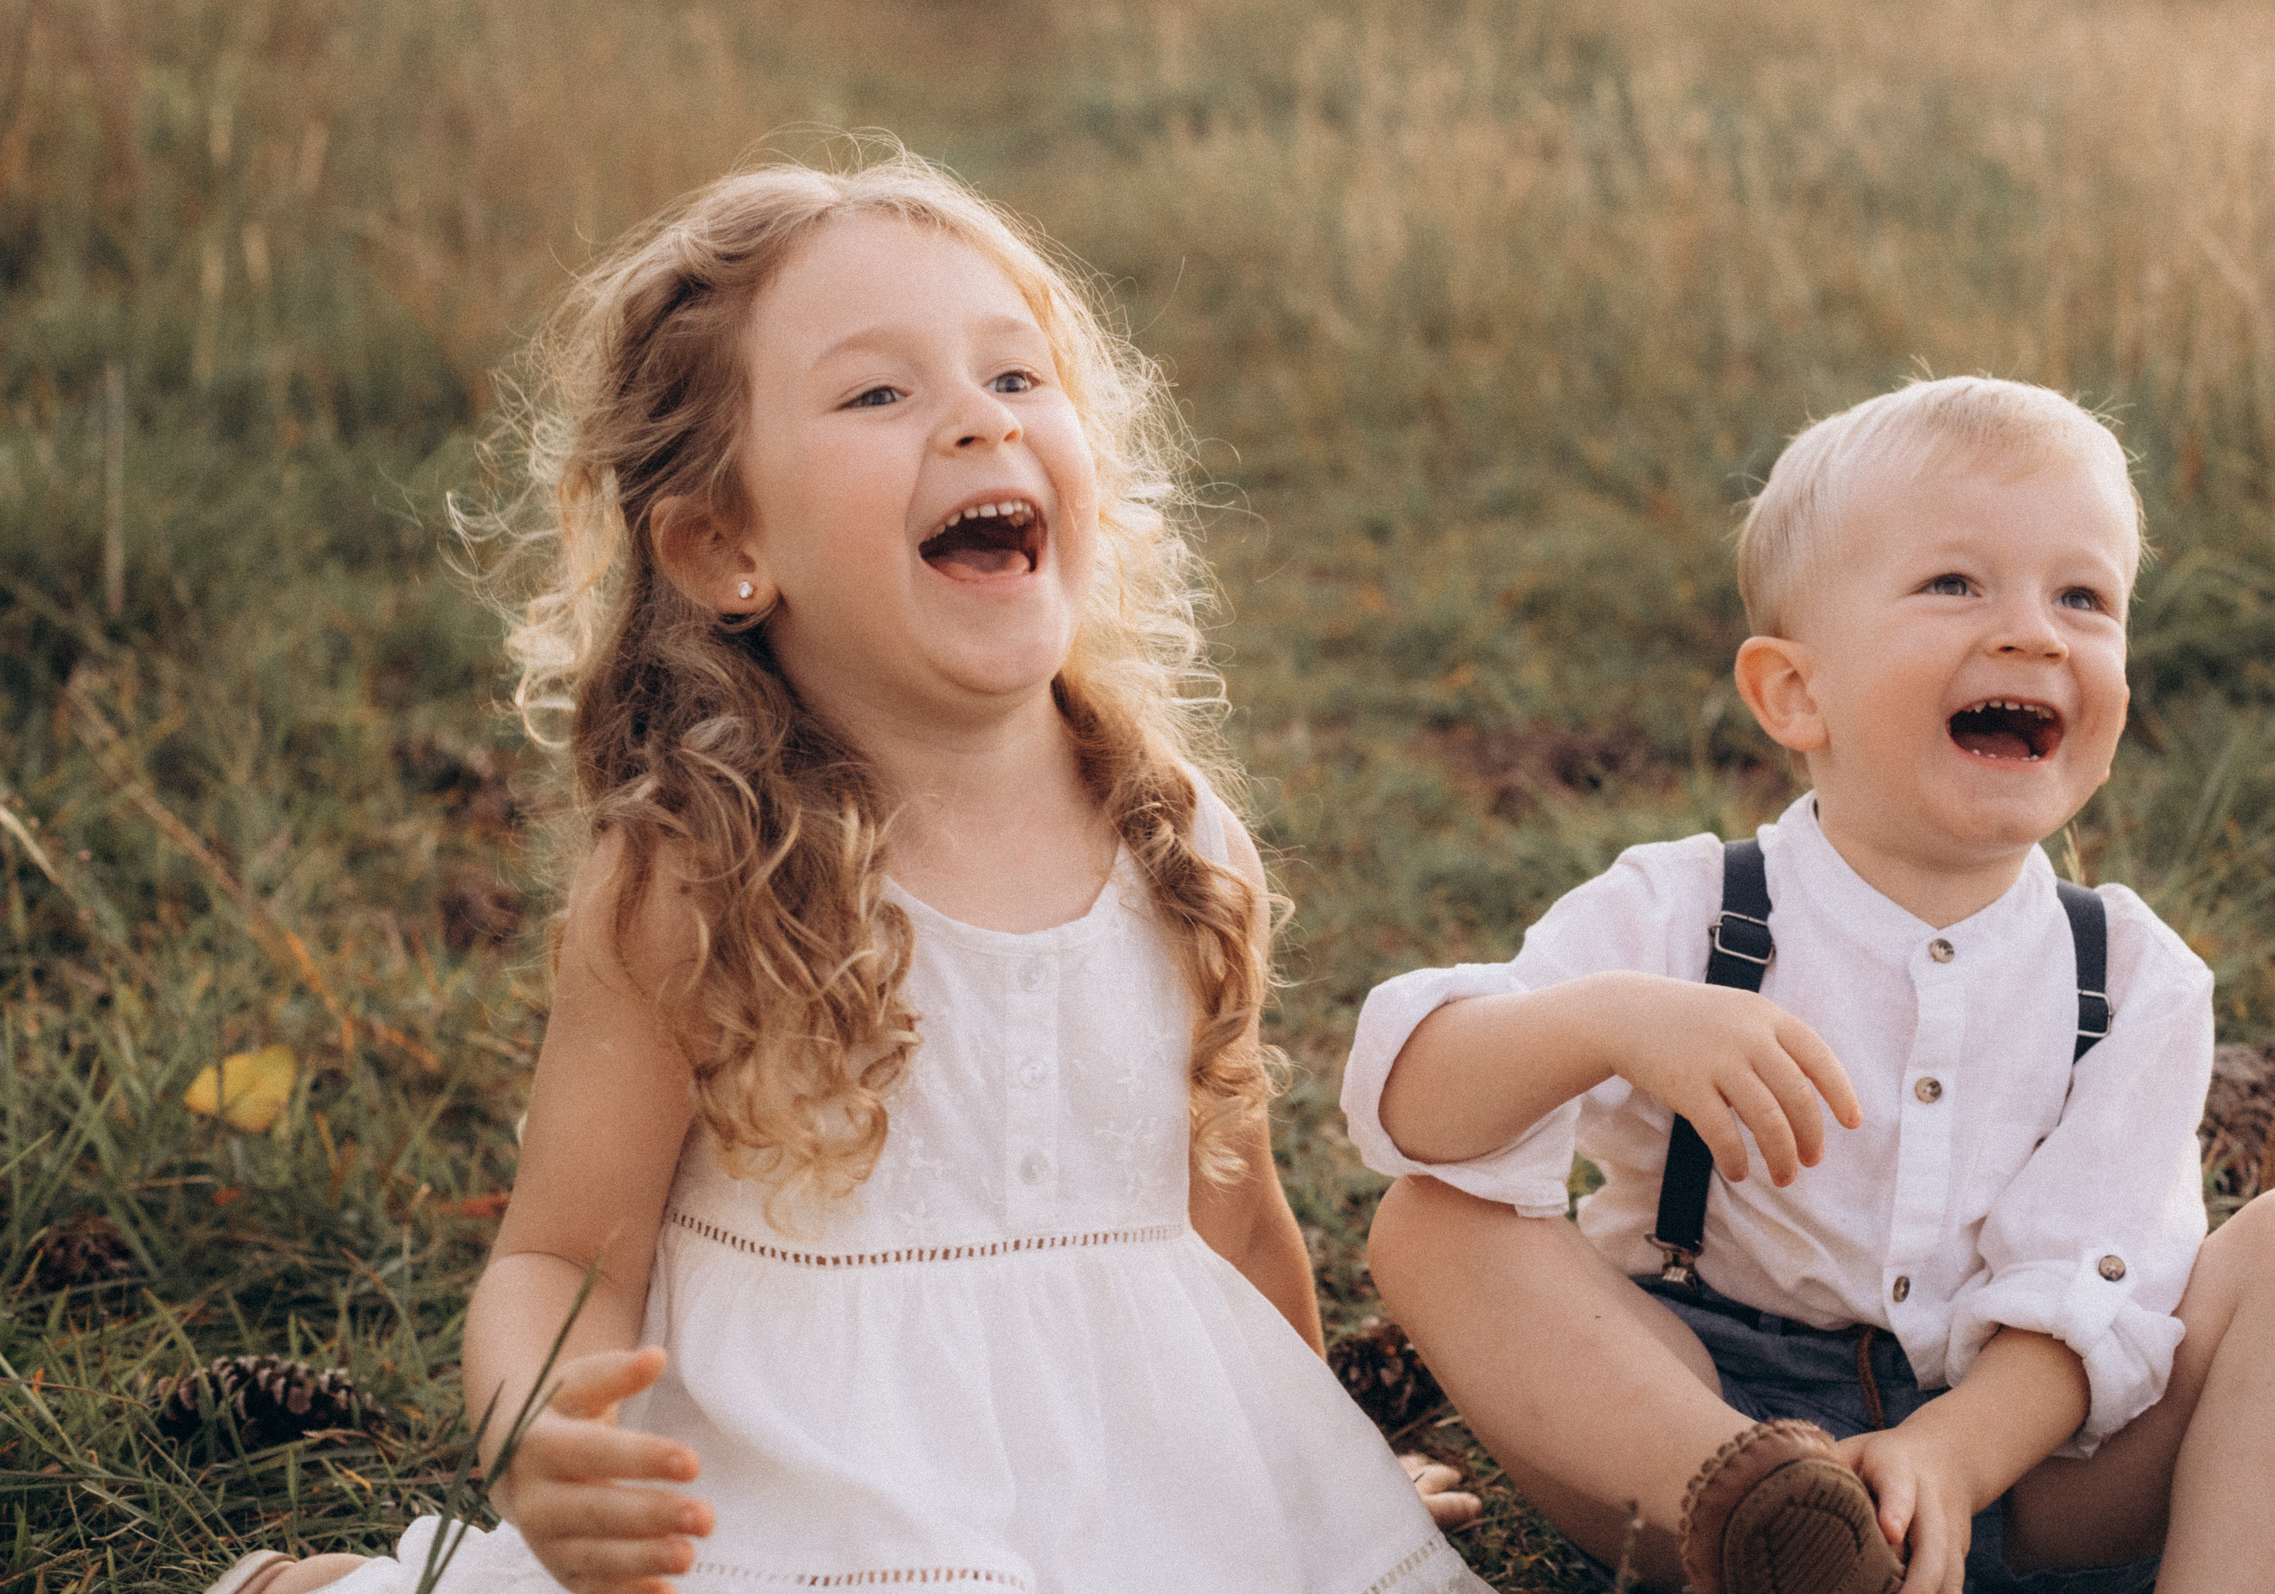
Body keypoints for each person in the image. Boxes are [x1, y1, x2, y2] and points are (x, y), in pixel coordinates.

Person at [212, 145, 1489, 1594]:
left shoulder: (1173, 839)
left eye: (1016, 378)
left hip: (1137, 1495)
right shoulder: (694, 874)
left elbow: (1237, 1220)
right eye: (880, 392)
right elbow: (564, 1252)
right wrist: (540, 1435)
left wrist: (1302, 1480)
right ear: (722, 543)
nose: (973, 423)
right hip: (808, 1503)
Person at [1339, 378, 2275, 1594]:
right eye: (1956, 584)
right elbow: (1413, 1111)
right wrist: (1613, 1022)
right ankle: (1790, 1541)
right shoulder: (1689, 914)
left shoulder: (2129, 975)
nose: (2032, 633)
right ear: (1795, 693)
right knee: (1435, 1220)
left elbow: (2089, 1281)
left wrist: (1950, 1456)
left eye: (2083, 596)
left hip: (2032, 1466)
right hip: (1697, 1436)